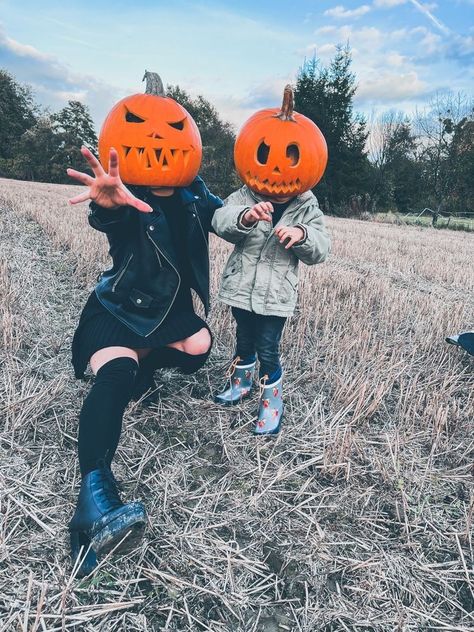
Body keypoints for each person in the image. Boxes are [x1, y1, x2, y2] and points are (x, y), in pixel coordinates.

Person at [66, 74, 221, 576]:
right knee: (116, 372)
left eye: (173, 127)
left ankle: (144, 376)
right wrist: (106, 206)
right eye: (138, 124)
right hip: (119, 311)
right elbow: (110, 220)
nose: (157, 137)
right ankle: (94, 500)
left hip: (167, 315)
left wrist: (251, 218)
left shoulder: (195, 192)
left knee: (200, 345)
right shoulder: (126, 197)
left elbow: (226, 217)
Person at [212, 85, 330, 435]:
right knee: (243, 338)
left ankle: (271, 400)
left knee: (267, 345)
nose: (276, 166)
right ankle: (241, 381)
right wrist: (245, 217)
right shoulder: (244, 194)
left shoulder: (306, 206)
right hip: (241, 288)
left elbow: (321, 248)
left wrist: (302, 236)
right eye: (265, 154)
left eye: (290, 156)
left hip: (276, 296)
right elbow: (220, 220)